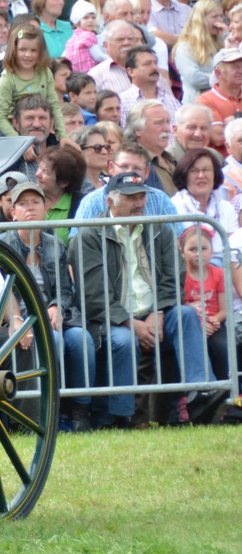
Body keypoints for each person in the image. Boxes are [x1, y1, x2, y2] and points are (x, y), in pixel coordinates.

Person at [72, 171, 210, 427]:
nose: (139, 203)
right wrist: (129, 322)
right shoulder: (89, 235)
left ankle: (202, 395)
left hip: (155, 313)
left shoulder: (159, 229)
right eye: (131, 198)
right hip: (110, 320)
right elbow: (93, 294)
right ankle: (123, 417)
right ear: (110, 202)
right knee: (124, 340)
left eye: (142, 196)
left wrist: (157, 312)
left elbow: (173, 278)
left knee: (187, 315)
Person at [0, 178, 94, 431]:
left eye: (35, 202)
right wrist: (32, 318)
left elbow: (64, 289)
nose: (30, 208)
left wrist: (56, 307)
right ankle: (53, 409)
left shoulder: (56, 245)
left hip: (55, 315)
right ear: (13, 213)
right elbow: (5, 292)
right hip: (23, 317)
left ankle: (80, 413)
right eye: (23, 204)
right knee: (56, 341)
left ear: (45, 209)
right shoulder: (2, 245)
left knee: (81, 339)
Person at [177, 226, 232, 394]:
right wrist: (199, 324)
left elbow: (225, 309)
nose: (199, 253)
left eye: (203, 248)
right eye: (192, 249)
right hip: (191, 327)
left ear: (212, 250)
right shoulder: (181, 275)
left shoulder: (220, 274)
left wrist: (215, 320)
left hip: (213, 325)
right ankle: (189, 395)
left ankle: (224, 391)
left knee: (222, 347)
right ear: (183, 252)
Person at [0, 26, 64, 139]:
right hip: (13, 132)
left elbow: (54, 105)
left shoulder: (45, 73)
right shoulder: (8, 78)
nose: (28, 55)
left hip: (40, 126)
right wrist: (19, 142)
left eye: (33, 50)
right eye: (23, 50)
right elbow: (0, 117)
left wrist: (62, 134)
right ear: (14, 50)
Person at [172, 0, 226, 98]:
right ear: (201, 20)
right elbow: (194, 78)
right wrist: (225, 78)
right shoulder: (185, 47)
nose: (219, 21)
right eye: (214, 17)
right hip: (197, 106)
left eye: (221, 16)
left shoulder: (223, 43)